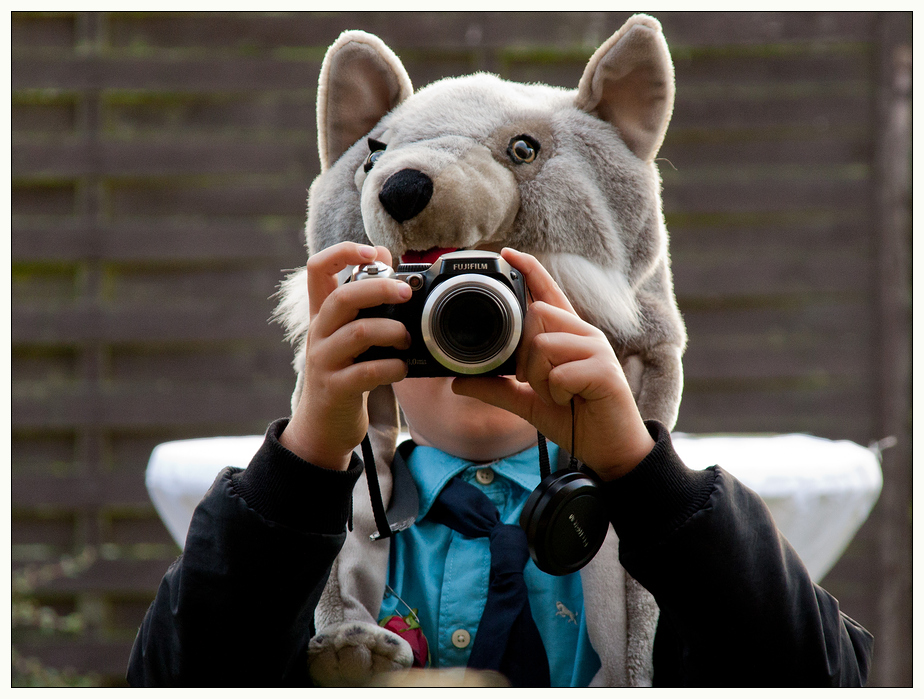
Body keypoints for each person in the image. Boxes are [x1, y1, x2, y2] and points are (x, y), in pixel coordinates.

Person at [127, 242, 873, 687]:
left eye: (507, 293)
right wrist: (302, 463)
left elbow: (818, 677)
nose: (474, 323)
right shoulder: (318, 531)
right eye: (436, 298)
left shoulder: (657, 540)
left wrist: (643, 471)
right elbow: (177, 678)